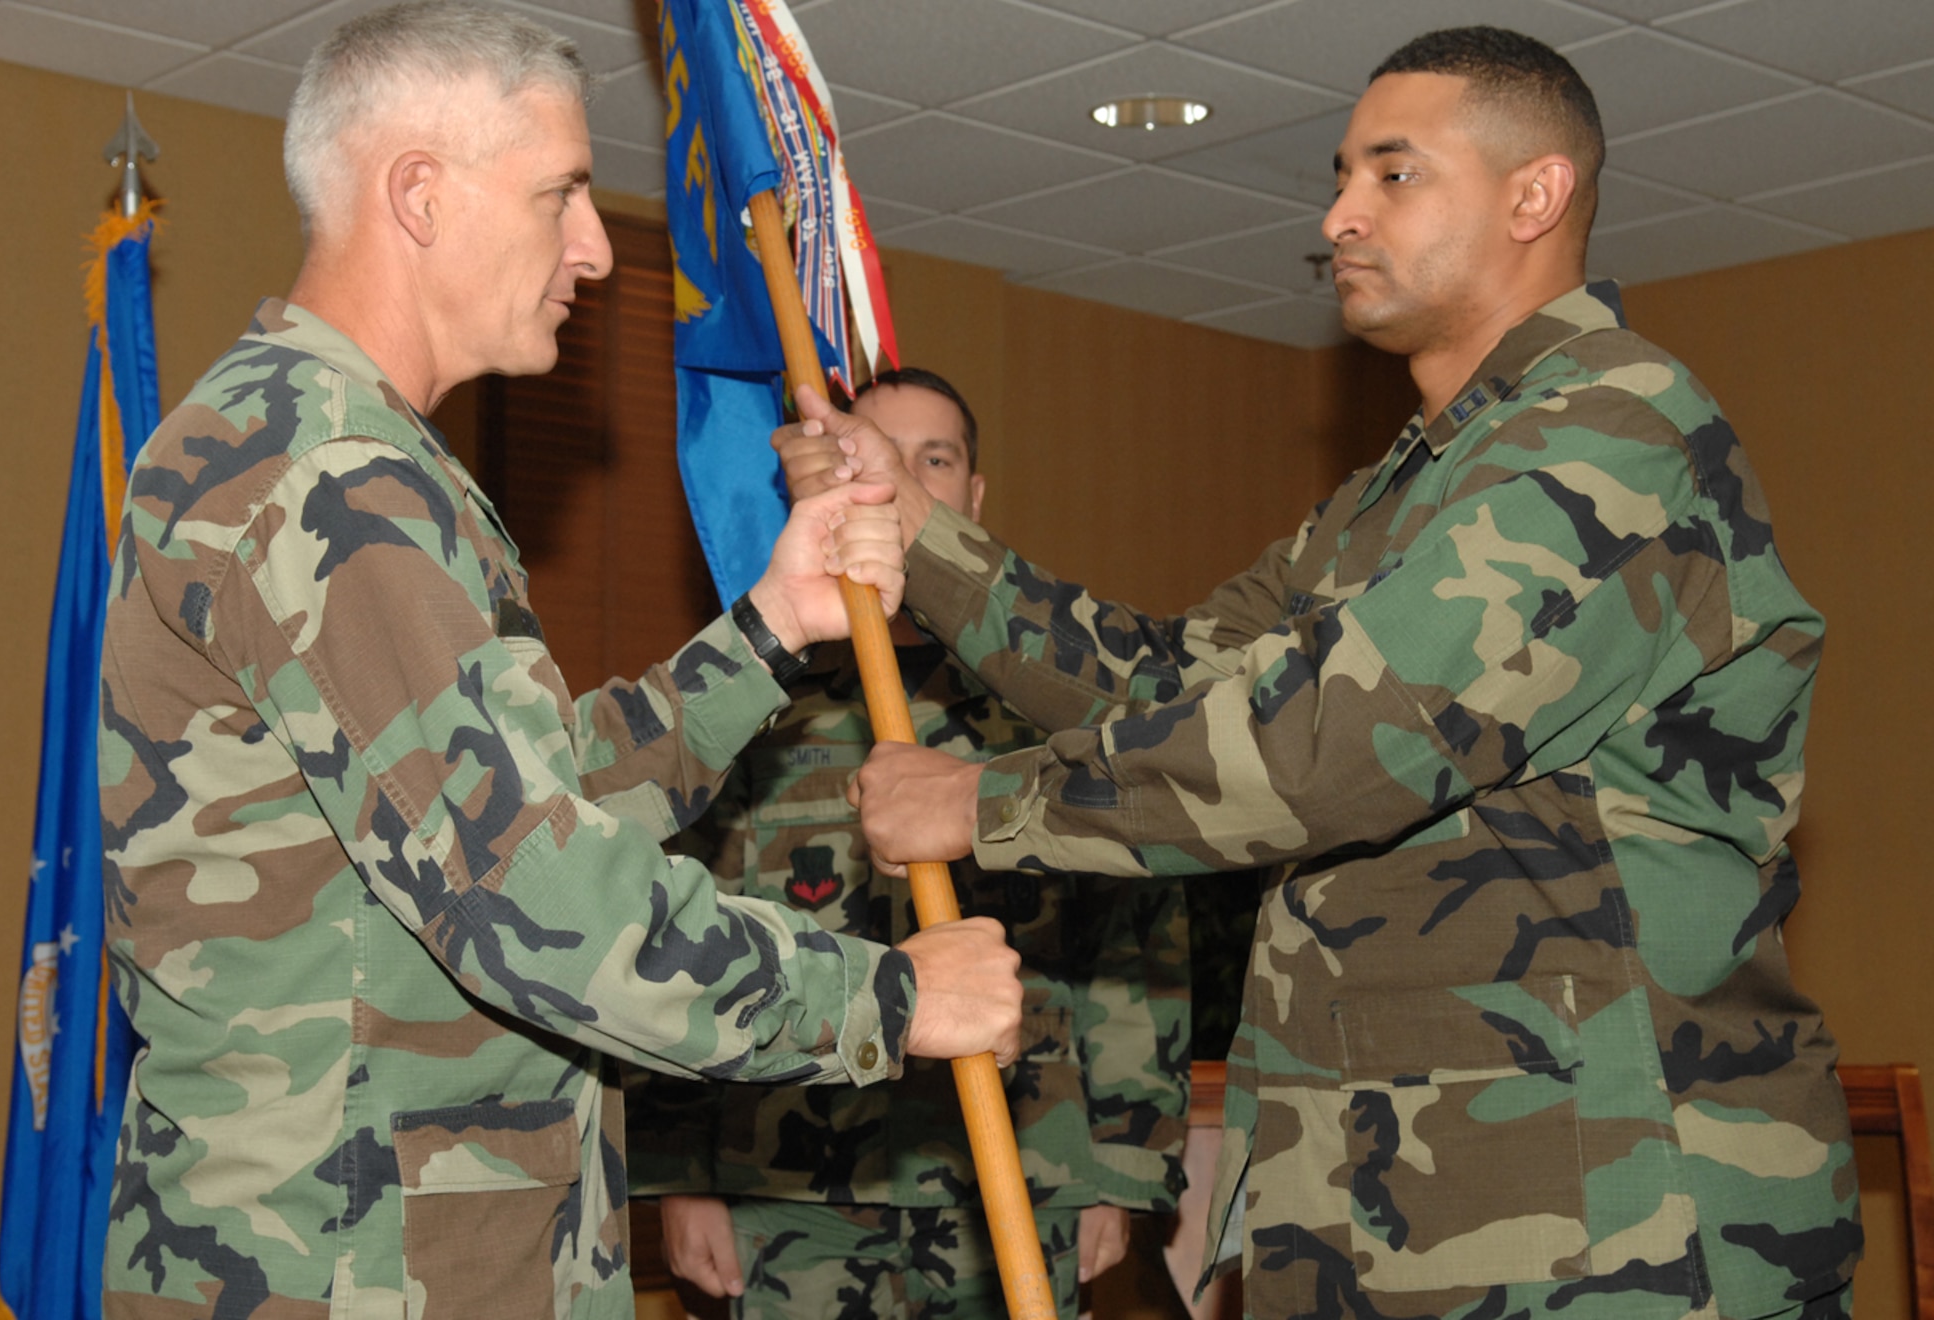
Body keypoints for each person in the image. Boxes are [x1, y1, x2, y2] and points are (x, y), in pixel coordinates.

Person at [787, 26, 1861, 1320]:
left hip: (1604, 1211)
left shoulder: (1615, 437)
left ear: (1536, 195)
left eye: (1394, 176)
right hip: (1384, 1195)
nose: (1340, 214)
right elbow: (1171, 684)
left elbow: (1340, 747)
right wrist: (920, 535)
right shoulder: (1396, 493)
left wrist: (978, 808)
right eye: (1342, 175)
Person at [95, 6, 1023, 1317]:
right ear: (419, 195)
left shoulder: (348, 455)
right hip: (343, 1267)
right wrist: (887, 996)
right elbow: (539, 896)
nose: (593, 247)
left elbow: (526, 799)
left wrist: (767, 631)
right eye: (562, 194)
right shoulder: (329, 478)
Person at [627, 368, 1192, 1319]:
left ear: (969, 498)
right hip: (793, 1178)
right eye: (871, 454)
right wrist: (681, 1174)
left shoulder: (1043, 704)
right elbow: (679, 925)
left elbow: (1135, 941)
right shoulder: (745, 701)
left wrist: (1123, 1169)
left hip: (1020, 1168)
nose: (900, 477)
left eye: (935, 458)